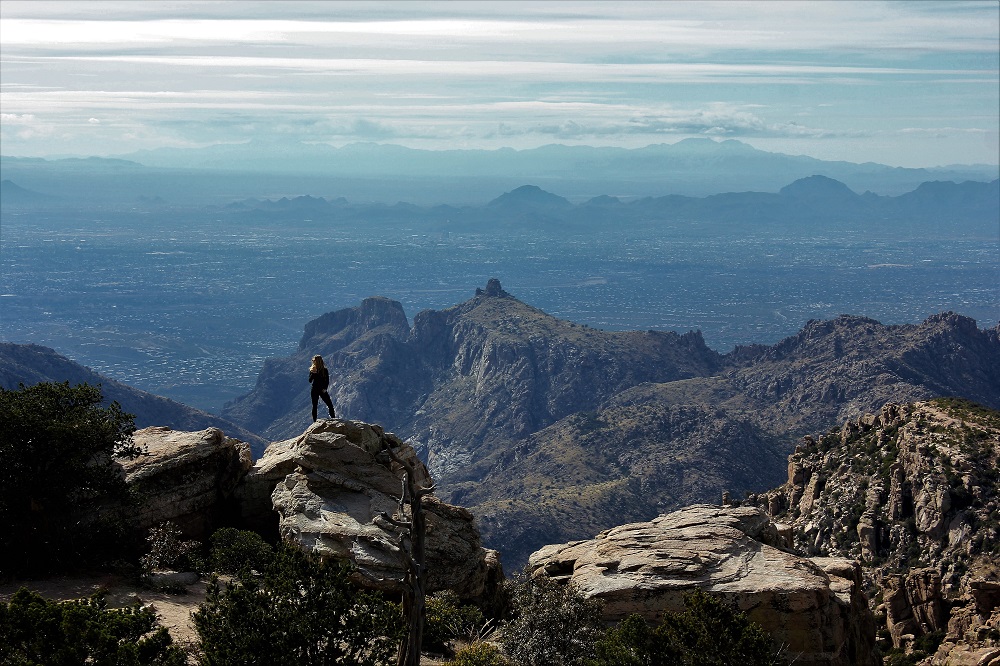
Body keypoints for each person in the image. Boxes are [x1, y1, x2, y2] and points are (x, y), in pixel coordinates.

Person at [308, 355, 336, 421]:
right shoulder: (312, 370)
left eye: (314, 361)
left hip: (321, 389)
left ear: (317, 361)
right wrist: (313, 373)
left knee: (330, 405)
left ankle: (334, 419)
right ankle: (314, 421)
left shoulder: (324, 370)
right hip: (315, 389)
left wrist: (325, 388)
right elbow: (310, 380)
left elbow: (327, 380)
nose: (313, 362)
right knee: (315, 406)